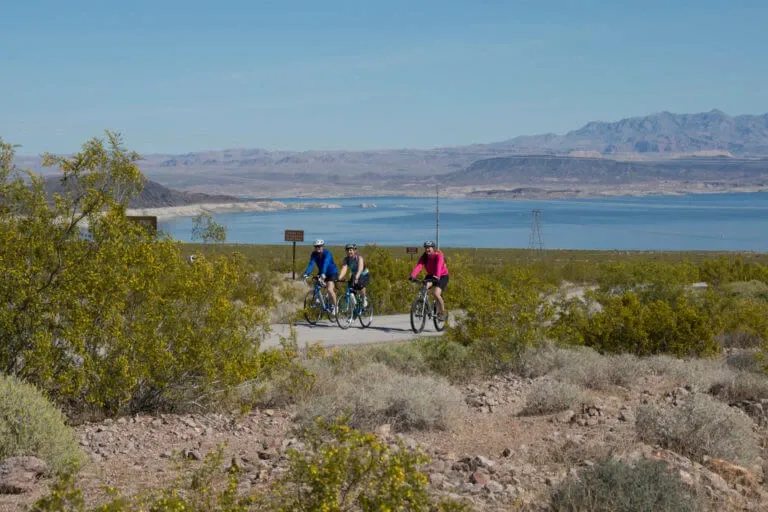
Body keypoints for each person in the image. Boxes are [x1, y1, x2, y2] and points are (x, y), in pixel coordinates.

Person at [409, 240, 449, 319]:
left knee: (436, 294)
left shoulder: (439, 256)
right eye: (426, 248)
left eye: (429, 248)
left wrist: (437, 277)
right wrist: (412, 275)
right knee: (424, 288)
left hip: (442, 276)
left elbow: (438, 266)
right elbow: (419, 266)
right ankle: (424, 304)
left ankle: (442, 313)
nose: (427, 249)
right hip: (431, 275)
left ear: (433, 248)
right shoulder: (424, 257)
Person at [302, 239, 339, 313]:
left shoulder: (327, 253)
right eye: (316, 246)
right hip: (322, 272)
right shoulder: (314, 254)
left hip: (332, 272)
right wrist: (306, 274)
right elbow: (311, 264)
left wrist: (323, 273)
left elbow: (326, 263)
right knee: (317, 284)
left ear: (323, 246)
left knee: (329, 289)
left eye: (319, 246)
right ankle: (318, 299)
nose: (318, 248)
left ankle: (335, 306)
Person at [337, 243, 370, 308]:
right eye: (347, 250)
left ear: (354, 251)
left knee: (361, 285)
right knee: (351, 290)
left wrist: (357, 277)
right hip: (355, 275)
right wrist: (339, 278)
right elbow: (344, 270)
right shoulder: (346, 259)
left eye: (350, 250)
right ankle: (355, 309)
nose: (349, 252)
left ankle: (364, 299)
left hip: (364, 274)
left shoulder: (359, 258)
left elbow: (360, 269)